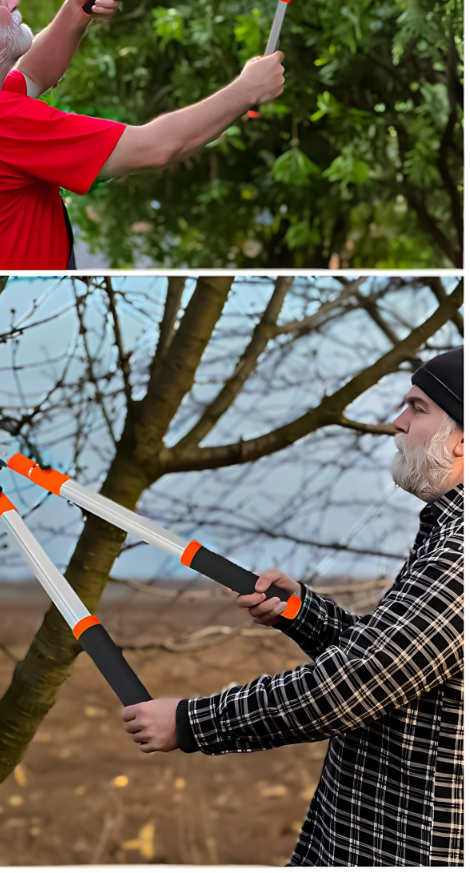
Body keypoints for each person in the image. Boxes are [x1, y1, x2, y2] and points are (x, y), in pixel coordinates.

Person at [120, 347, 464, 867]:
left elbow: (356, 682)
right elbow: (395, 661)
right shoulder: (445, 535)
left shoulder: (462, 554)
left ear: (461, 437)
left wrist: (190, 722)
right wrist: (300, 612)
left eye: (417, 407)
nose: (397, 422)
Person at [0, 0, 286, 269]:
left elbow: (32, 73)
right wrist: (247, 90)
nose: (13, 2)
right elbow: (156, 148)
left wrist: (76, 11)